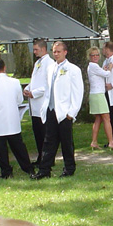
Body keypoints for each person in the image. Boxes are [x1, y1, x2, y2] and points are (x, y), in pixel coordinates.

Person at [32, 41, 83, 179]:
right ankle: (44, 170)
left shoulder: (73, 69)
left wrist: (71, 113)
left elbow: (78, 93)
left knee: (66, 142)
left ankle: (69, 168)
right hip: (51, 109)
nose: (56, 54)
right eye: (54, 51)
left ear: (65, 52)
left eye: (59, 51)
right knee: (48, 141)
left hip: (64, 112)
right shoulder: (50, 68)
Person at [0, 59, 34, 179]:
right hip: (12, 121)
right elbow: (19, 100)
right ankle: (28, 168)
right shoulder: (15, 82)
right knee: (19, 147)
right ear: (4, 68)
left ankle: (6, 171)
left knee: (0, 149)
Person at [22, 39, 55, 166]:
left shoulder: (50, 63)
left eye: (36, 49)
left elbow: (48, 84)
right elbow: (34, 80)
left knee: (44, 134)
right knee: (38, 134)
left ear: (43, 49)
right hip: (34, 105)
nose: (34, 52)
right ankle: (41, 157)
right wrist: (28, 88)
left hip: (42, 103)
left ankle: (47, 159)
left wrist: (34, 93)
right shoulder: (37, 63)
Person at [87, 46, 113, 150]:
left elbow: (101, 74)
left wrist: (104, 70)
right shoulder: (93, 66)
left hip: (96, 94)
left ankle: (94, 141)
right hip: (98, 95)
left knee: (98, 119)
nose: (95, 57)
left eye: (97, 55)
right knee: (106, 118)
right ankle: (111, 142)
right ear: (89, 56)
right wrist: (110, 68)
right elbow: (106, 74)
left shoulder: (94, 66)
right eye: (92, 55)